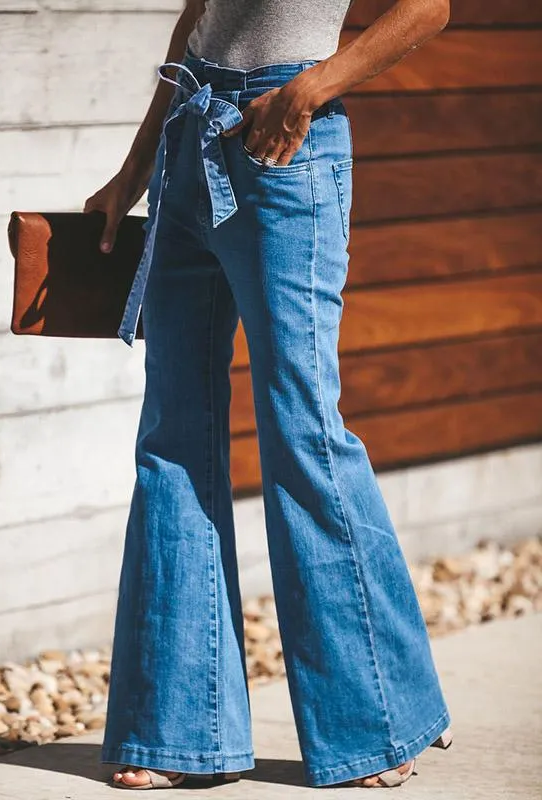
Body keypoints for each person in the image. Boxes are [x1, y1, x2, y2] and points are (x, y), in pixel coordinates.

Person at [84, 0, 453, 790]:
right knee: (171, 439)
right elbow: (197, 17)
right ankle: (172, 732)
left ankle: (377, 722)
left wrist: (314, 87)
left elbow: (429, 7)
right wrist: (137, 165)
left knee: (304, 431)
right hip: (191, 138)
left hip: (288, 145)